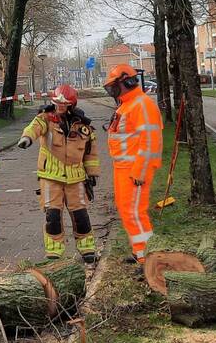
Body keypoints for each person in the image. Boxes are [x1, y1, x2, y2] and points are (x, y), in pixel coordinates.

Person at [16, 84, 100, 263]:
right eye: (57, 103)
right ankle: (54, 252)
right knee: (52, 215)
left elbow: (91, 152)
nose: (60, 106)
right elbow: (34, 127)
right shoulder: (46, 118)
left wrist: (92, 174)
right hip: (50, 176)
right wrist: (26, 138)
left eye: (64, 104)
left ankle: (87, 249)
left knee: (80, 216)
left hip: (76, 178)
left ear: (72, 104)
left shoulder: (83, 126)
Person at [103, 63, 163, 265]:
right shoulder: (128, 104)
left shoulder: (141, 104)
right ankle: (140, 253)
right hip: (123, 168)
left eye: (114, 86)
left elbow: (150, 142)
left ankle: (148, 260)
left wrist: (140, 171)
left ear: (126, 82)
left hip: (134, 170)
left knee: (135, 212)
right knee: (126, 211)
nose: (112, 91)